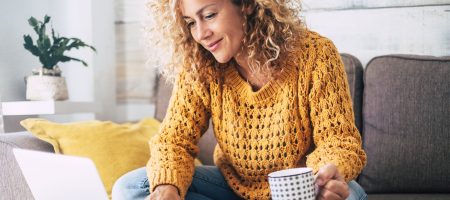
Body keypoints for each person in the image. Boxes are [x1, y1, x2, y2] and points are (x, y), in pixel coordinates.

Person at [112, 0, 367, 199]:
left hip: (302, 189)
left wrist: (324, 179)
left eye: (209, 15)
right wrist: (168, 187)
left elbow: (339, 140)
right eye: (190, 22)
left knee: (347, 195)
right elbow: (174, 140)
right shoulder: (200, 65)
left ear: (245, 5)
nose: (200, 34)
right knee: (132, 186)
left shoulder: (316, 54)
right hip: (232, 189)